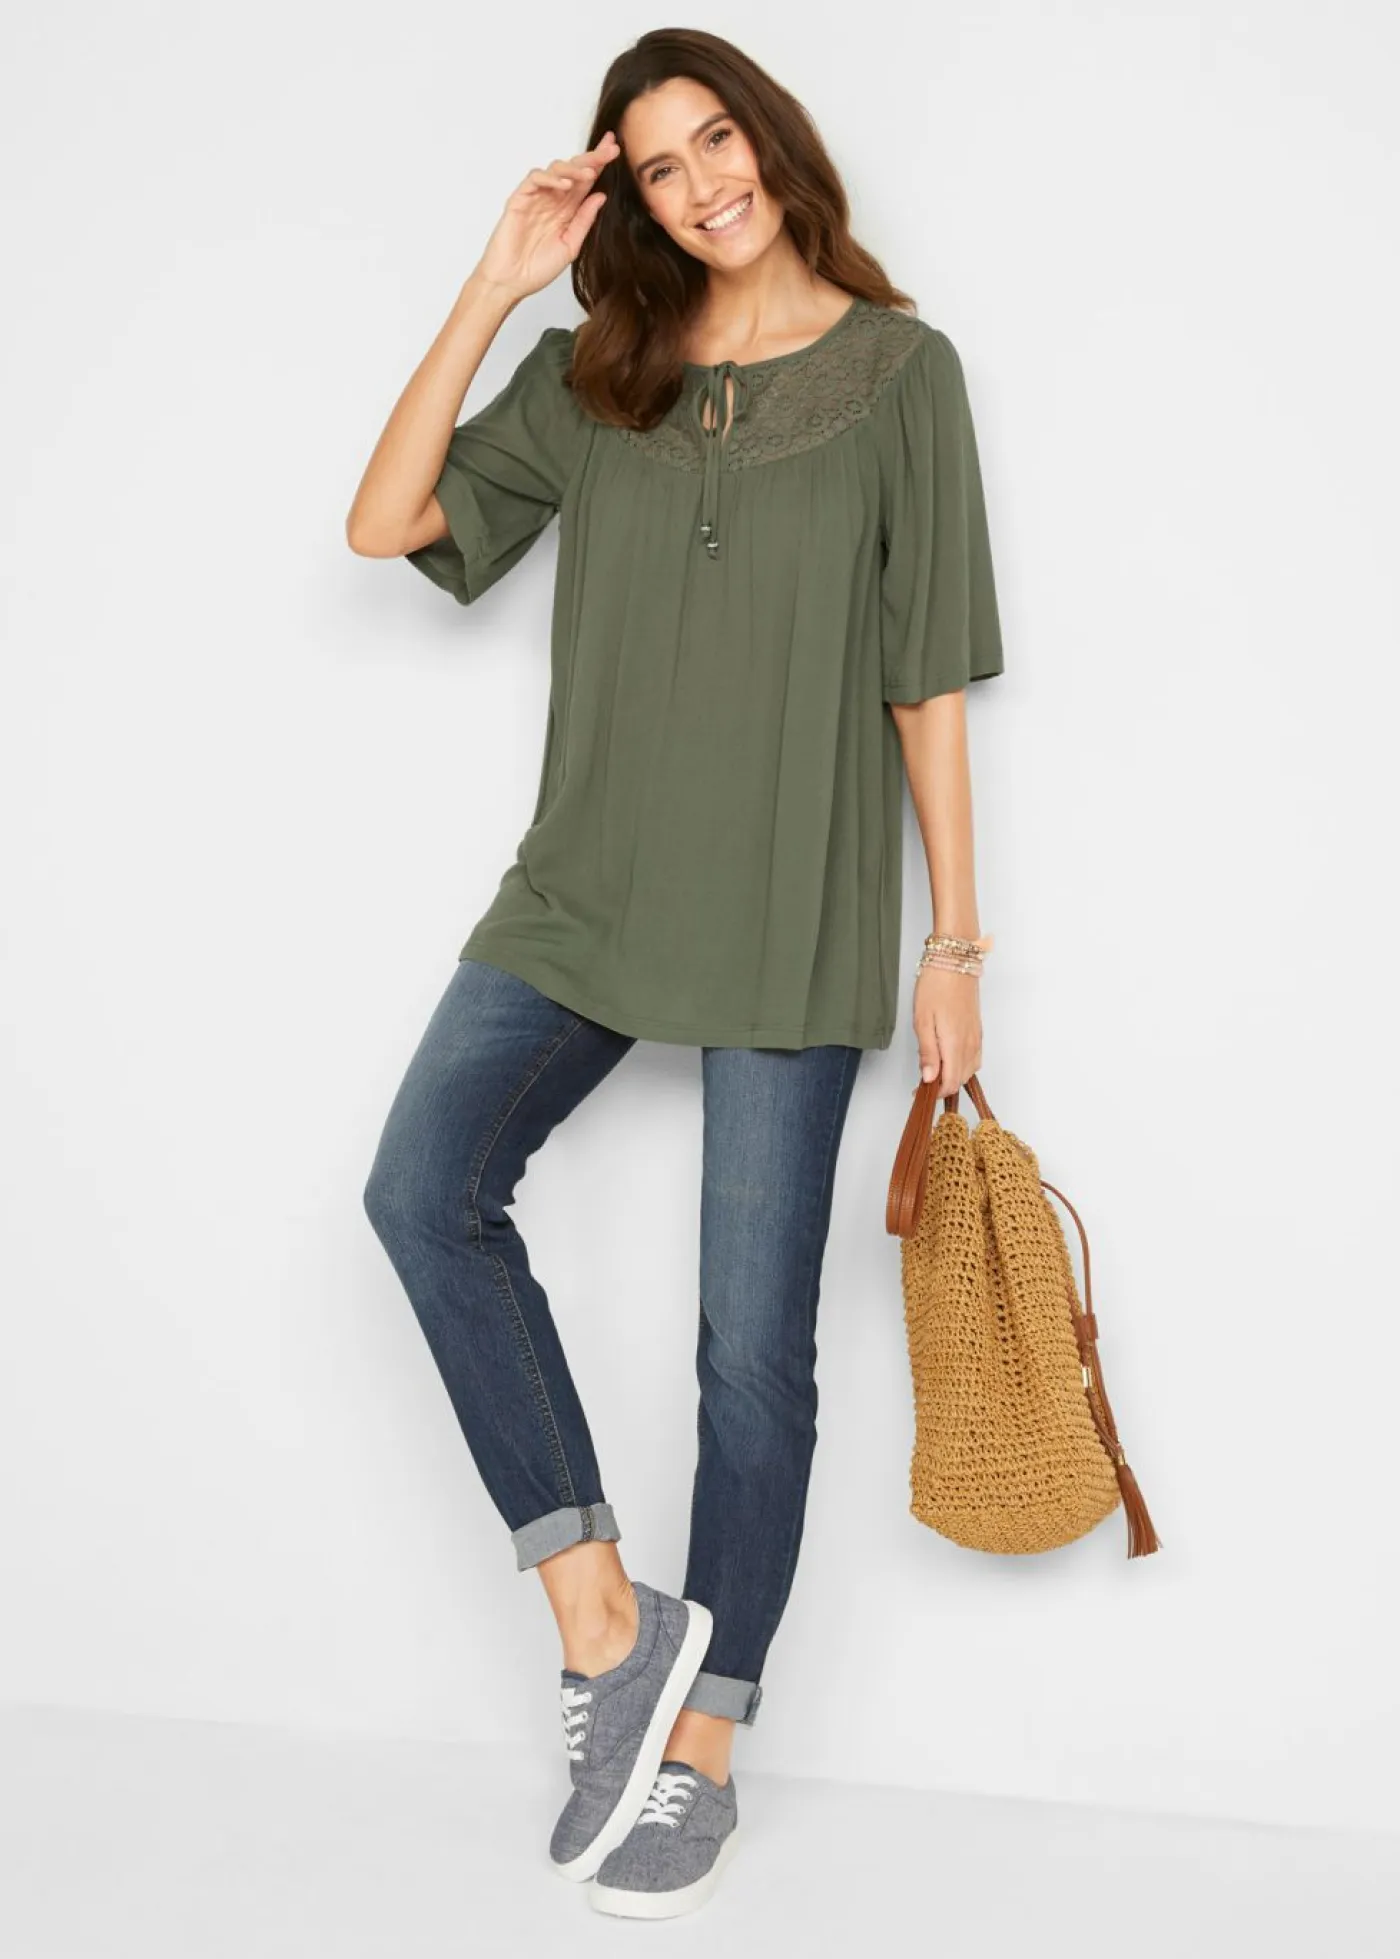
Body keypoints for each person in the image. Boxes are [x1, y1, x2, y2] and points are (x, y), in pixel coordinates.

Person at [347, 28, 1004, 1921]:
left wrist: (956, 938)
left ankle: (705, 1742)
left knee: (749, 1351)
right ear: (623, 195)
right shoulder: (600, 369)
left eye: (718, 137)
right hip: (588, 889)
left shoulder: (903, 377)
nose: (704, 182)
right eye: (657, 164)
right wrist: (496, 286)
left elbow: (926, 675)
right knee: (421, 1189)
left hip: (791, 903)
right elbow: (386, 524)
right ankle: (608, 1621)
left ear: (772, 142)